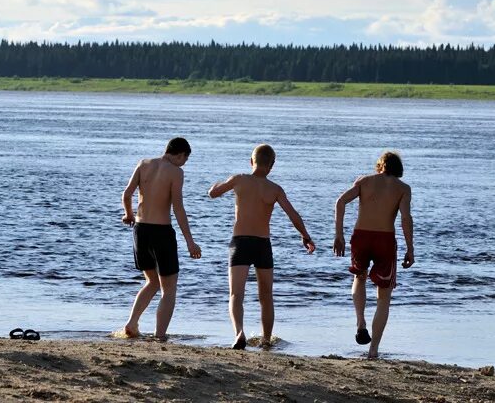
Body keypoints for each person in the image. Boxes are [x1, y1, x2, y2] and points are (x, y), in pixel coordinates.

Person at [208, 144, 315, 350]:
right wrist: (305, 236)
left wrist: (216, 184)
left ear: (251, 161)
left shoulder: (239, 179)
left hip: (240, 242)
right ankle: (266, 339)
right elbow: (293, 215)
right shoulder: (274, 189)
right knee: (266, 296)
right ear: (272, 165)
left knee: (236, 295)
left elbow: (213, 193)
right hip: (262, 244)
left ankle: (239, 332)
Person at [333, 151, 414, 359]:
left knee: (358, 278)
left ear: (380, 166)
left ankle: (360, 322)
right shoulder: (403, 189)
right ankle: (373, 349)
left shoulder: (364, 181)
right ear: (398, 169)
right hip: (385, 240)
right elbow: (406, 218)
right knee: (384, 296)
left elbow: (340, 202)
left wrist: (339, 235)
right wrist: (410, 248)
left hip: (361, 237)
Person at [120, 137, 202, 341]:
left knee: (152, 281)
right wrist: (190, 241)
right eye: (185, 160)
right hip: (161, 232)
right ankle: (160, 335)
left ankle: (132, 323)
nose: (184, 164)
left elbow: (127, 194)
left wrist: (128, 214)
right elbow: (178, 208)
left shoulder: (144, 164)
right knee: (169, 288)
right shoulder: (176, 172)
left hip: (140, 230)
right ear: (181, 155)